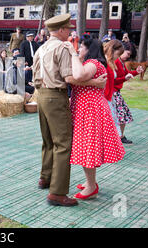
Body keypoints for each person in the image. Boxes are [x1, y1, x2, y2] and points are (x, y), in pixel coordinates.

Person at [32, 14, 107, 207]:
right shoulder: (62, 48)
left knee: (48, 140)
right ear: (61, 30)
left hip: (40, 94)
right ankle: (57, 193)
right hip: (55, 97)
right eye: (68, 29)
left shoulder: (41, 48)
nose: (70, 33)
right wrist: (94, 83)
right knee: (63, 145)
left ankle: (45, 177)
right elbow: (70, 78)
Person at [69, 35, 125, 200]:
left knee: (88, 149)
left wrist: (74, 55)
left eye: (82, 47)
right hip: (88, 109)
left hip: (90, 110)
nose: (79, 49)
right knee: (86, 148)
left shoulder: (93, 64)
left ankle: (91, 186)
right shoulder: (92, 64)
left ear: (89, 49)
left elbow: (77, 77)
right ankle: (90, 182)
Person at [114, 43, 144, 144]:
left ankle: (120, 136)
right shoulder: (116, 62)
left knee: (123, 115)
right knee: (121, 115)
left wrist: (136, 72)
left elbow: (126, 74)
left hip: (116, 93)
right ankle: (119, 136)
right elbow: (113, 80)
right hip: (113, 93)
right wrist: (124, 78)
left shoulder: (121, 62)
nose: (128, 56)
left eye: (130, 54)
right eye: (127, 53)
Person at [103, 40, 124, 137]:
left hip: (109, 98)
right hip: (105, 98)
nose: (118, 56)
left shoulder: (110, 63)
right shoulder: (104, 62)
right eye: (118, 54)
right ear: (112, 50)